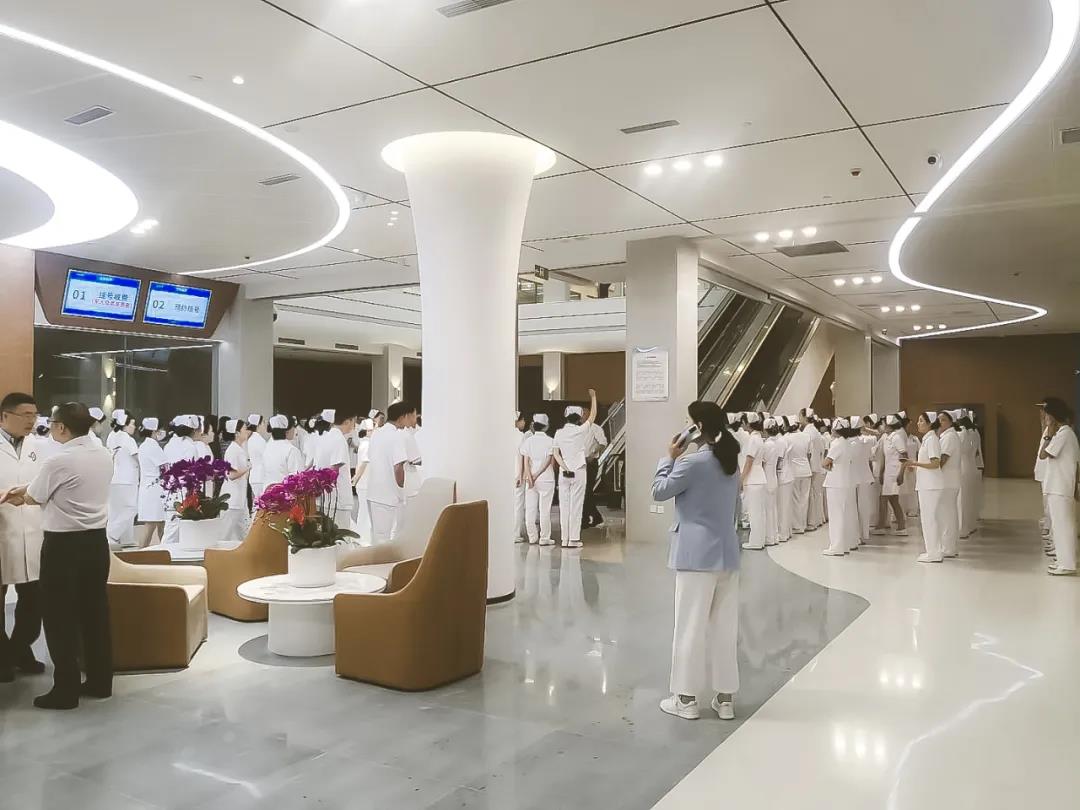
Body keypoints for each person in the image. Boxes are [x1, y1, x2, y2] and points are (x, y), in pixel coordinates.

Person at [0, 402, 114, 710]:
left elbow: (35, 496)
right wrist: (27, 489)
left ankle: (66, 690)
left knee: (59, 617)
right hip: (96, 543)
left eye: (49, 422)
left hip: (64, 547)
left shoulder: (59, 459)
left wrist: (17, 495)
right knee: (95, 613)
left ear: (61, 427)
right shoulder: (102, 454)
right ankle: (101, 681)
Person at [653, 402, 741, 722]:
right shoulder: (730, 462)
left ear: (697, 427)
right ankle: (725, 698)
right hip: (727, 553)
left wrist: (668, 457)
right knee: (724, 627)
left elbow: (659, 491)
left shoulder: (691, 463)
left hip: (695, 556)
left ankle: (686, 699)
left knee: (690, 625)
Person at [0, 392, 45, 683]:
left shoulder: (38, 446)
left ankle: (17, 649)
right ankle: (4, 657)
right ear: (5, 416)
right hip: (2, 530)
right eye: (25, 415)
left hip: (33, 530)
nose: (31, 420)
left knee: (34, 600)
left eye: (34, 414)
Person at [552, 389, 598, 550]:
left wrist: (564, 467)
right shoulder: (580, 430)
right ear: (579, 418)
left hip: (564, 473)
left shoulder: (558, 433)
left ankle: (564, 539)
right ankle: (574, 539)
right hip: (579, 470)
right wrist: (593, 397)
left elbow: (556, 454)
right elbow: (593, 416)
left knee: (564, 506)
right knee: (576, 505)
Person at [1039, 397, 1079, 576]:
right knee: (1061, 525)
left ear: (1053, 416)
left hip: (1060, 487)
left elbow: (1043, 454)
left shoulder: (1064, 433)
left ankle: (1067, 564)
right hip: (1058, 486)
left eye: (1047, 415)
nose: (1045, 418)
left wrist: (1048, 432)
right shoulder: (1065, 433)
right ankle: (1064, 560)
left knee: (1063, 526)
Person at [366, 403, 415, 543]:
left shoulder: (377, 433)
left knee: (377, 535)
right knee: (385, 539)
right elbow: (398, 466)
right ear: (403, 416)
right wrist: (401, 488)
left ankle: (374, 557)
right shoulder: (396, 436)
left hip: (373, 491)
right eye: (411, 416)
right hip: (388, 494)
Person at [906, 412, 948, 563]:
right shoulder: (928, 439)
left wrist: (914, 463)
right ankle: (933, 550)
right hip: (927, 484)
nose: (918, 423)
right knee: (928, 518)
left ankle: (934, 553)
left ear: (930, 423)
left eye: (921, 421)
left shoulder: (932, 440)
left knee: (929, 519)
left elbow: (935, 463)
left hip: (931, 485)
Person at [314, 409, 357, 532]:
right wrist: (323, 487)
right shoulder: (338, 438)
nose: (354, 426)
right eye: (354, 422)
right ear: (348, 421)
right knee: (339, 536)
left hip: (324, 498)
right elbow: (334, 469)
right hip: (336, 499)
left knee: (325, 535)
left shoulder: (325, 437)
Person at [161, 415, 199, 544]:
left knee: (172, 527)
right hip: (182, 491)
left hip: (169, 489)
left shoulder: (169, 445)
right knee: (173, 531)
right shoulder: (190, 447)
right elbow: (191, 471)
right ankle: (163, 553)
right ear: (193, 430)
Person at [105, 409, 140, 548]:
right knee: (131, 508)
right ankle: (112, 534)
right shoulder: (128, 439)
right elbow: (137, 457)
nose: (134, 427)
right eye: (132, 424)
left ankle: (126, 539)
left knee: (116, 510)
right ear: (124, 424)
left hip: (114, 478)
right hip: (128, 479)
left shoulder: (111, 436)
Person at [521, 414, 556, 546]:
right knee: (544, 510)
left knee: (530, 509)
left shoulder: (528, 441)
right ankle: (544, 538)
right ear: (546, 426)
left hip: (530, 480)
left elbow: (525, 461)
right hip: (546, 478)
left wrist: (530, 476)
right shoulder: (551, 441)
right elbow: (549, 462)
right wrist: (537, 475)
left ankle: (532, 536)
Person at [873, 414, 909, 536]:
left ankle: (881, 526)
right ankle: (901, 527)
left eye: (883, 424)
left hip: (895, 473)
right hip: (888, 472)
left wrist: (901, 473)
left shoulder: (896, 438)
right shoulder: (886, 438)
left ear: (888, 426)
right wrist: (881, 472)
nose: (881, 426)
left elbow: (904, 456)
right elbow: (885, 457)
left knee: (883, 499)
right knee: (893, 500)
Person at [822, 417, 852, 556]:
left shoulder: (837, 444)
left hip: (835, 482)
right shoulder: (847, 443)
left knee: (835, 515)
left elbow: (825, 462)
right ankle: (843, 545)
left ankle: (836, 546)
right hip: (844, 481)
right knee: (842, 514)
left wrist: (828, 465)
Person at [135, 418, 166, 547]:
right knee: (152, 525)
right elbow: (164, 466)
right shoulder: (153, 446)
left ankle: (163, 551)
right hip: (154, 490)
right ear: (154, 431)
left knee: (159, 524)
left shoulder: (144, 445)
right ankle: (140, 553)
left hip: (149, 489)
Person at [936, 410, 962, 558]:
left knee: (946, 514)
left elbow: (942, 460)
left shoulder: (950, 437)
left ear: (951, 422)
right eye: (939, 419)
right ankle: (949, 546)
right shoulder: (947, 436)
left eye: (943, 420)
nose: (940, 422)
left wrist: (929, 469)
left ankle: (948, 547)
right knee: (947, 513)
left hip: (947, 481)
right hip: (948, 480)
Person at [221, 419, 252, 543]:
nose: (247, 431)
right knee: (225, 533)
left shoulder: (240, 449)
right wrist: (247, 468)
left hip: (240, 499)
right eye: (245, 429)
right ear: (237, 433)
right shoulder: (233, 450)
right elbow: (231, 474)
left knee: (244, 533)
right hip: (232, 500)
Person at [740, 413, 768, 550]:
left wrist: (741, 479)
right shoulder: (759, 438)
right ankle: (759, 540)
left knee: (754, 512)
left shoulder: (753, 440)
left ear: (748, 424)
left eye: (743, 422)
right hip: (759, 478)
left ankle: (755, 542)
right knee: (759, 512)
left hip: (753, 479)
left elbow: (749, 462)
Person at [789, 412, 813, 534]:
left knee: (795, 499)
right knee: (804, 499)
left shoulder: (788, 438)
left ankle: (797, 526)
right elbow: (809, 454)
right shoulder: (806, 436)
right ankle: (803, 524)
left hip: (794, 471)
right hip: (806, 470)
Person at [582, 417, 609, 530]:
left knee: (587, 490)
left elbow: (603, 443)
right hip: (579, 462)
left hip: (590, 462)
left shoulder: (595, 428)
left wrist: (593, 454)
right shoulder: (578, 428)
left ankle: (587, 518)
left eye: (584, 413)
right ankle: (595, 516)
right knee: (583, 491)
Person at [263, 414, 304, 487]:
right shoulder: (291, 450)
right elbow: (297, 478)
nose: (295, 431)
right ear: (287, 430)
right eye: (293, 427)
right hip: (284, 491)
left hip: (267, 490)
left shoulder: (267, 447)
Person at [761, 418, 781, 546]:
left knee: (768, 509)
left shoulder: (767, 445)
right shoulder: (776, 443)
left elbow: (763, 463)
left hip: (767, 478)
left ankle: (769, 537)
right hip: (774, 477)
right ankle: (774, 536)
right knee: (773, 508)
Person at [246, 414, 269, 502]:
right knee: (261, 503)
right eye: (263, 422)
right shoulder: (259, 440)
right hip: (260, 476)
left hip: (254, 476)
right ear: (258, 425)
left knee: (257, 502)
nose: (264, 425)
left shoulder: (251, 439)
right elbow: (266, 457)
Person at [513, 412, 528, 543]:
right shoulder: (520, 436)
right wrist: (521, 474)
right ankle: (515, 533)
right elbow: (522, 456)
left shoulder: (504, 435)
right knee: (518, 505)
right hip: (517, 474)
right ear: (518, 421)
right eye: (523, 420)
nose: (524, 423)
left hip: (506, 474)